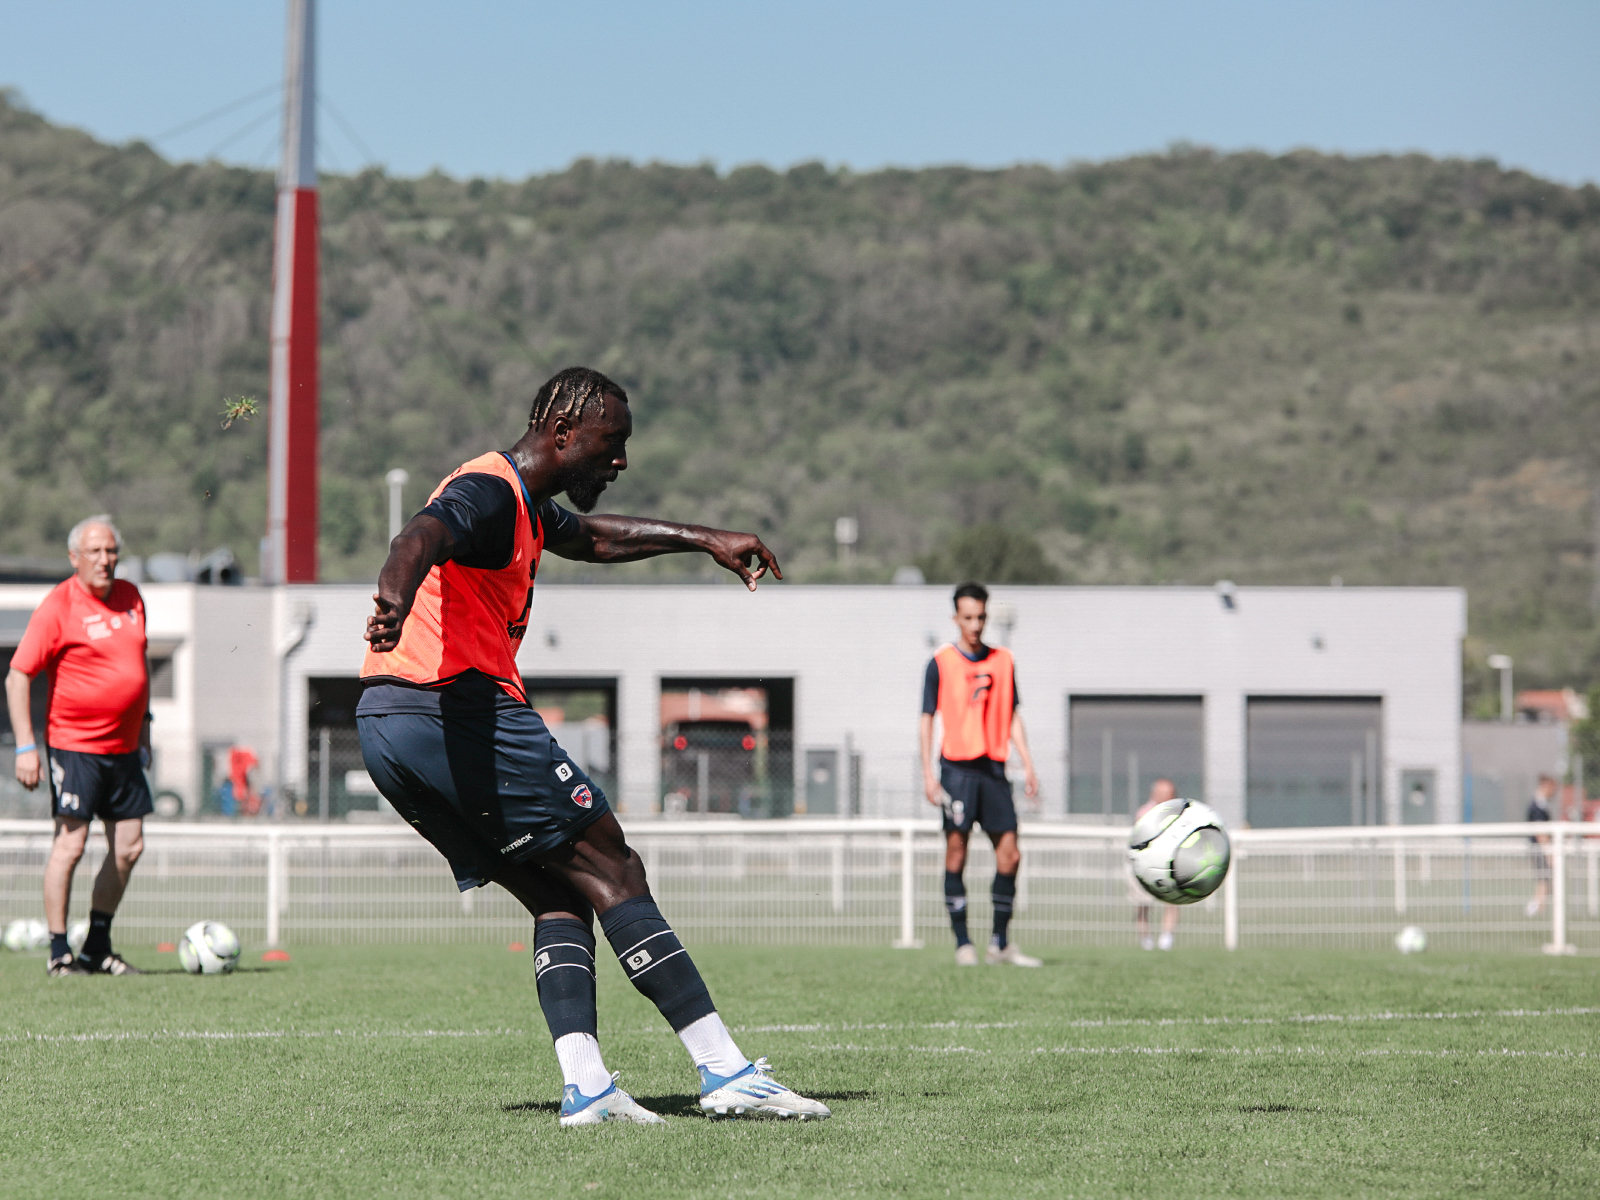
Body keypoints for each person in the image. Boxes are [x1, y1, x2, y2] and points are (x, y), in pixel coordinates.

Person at [359, 366, 830, 1126]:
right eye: (611, 444)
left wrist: (703, 538)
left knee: (558, 894)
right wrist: (394, 592)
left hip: (387, 727)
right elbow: (421, 533)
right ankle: (726, 1070)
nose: (619, 461)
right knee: (614, 865)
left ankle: (588, 1088)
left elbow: (598, 538)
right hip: (455, 707)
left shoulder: (526, 506)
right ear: (564, 433)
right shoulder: (489, 492)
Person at [6, 515, 150, 976]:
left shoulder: (132, 597)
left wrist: (143, 729)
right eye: (95, 552)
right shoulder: (58, 606)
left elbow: (136, 668)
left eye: (111, 551)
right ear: (74, 558)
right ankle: (57, 952)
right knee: (71, 844)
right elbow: (18, 675)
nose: (105, 560)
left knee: (129, 846)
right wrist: (27, 747)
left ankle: (97, 948)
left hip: (124, 749)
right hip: (75, 747)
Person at [919, 581, 1042, 967]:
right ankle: (963, 944)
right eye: (968, 617)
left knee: (1011, 854)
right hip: (956, 770)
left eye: (981, 617)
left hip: (994, 770)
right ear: (956, 618)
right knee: (957, 852)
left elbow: (1011, 715)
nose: (975, 624)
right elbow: (926, 720)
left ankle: (1000, 943)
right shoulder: (940, 663)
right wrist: (928, 774)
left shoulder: (1004, 660)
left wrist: (1027, 761)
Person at [1132, 777, 1182, 950]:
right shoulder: (1145, 812)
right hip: (1145, 865)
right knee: (1143, 903)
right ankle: (1145, 939)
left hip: (1169, 864)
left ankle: (1167, 938)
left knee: (1173, 900)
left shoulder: (1180, 812)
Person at [1525, 773, 1556, 917]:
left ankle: (1537, 909)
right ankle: (1535, 909)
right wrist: (1548, 852)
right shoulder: (1537, 805)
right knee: (1543, 880)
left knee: (1544, 880)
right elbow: (1540, 831)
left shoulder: (1540, 804)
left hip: (1540, 849)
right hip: (1540, 849)